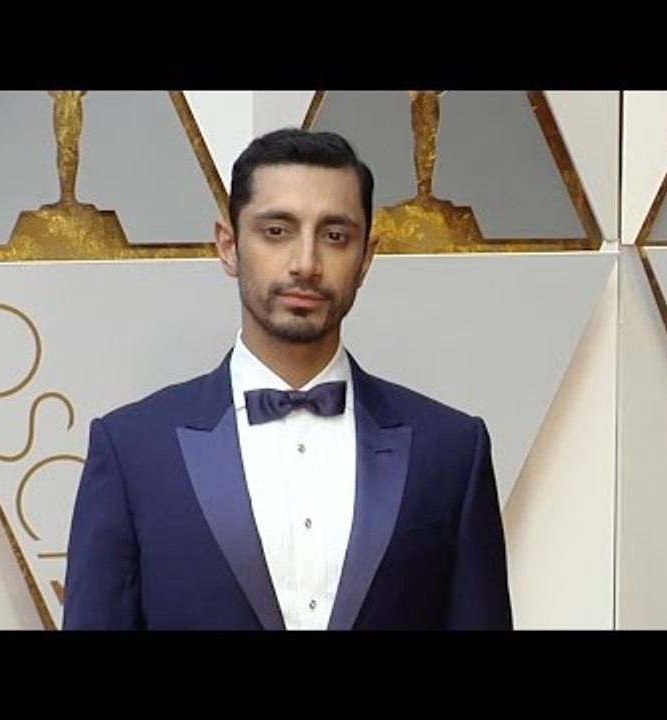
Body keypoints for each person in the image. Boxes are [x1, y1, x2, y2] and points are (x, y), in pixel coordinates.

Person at [63, 128, 512, 630]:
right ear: (228, 246)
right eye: (277, 231)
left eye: (335, 236)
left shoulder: (451, 449)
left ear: (366, 257)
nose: (306, 264)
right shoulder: (132, 450)